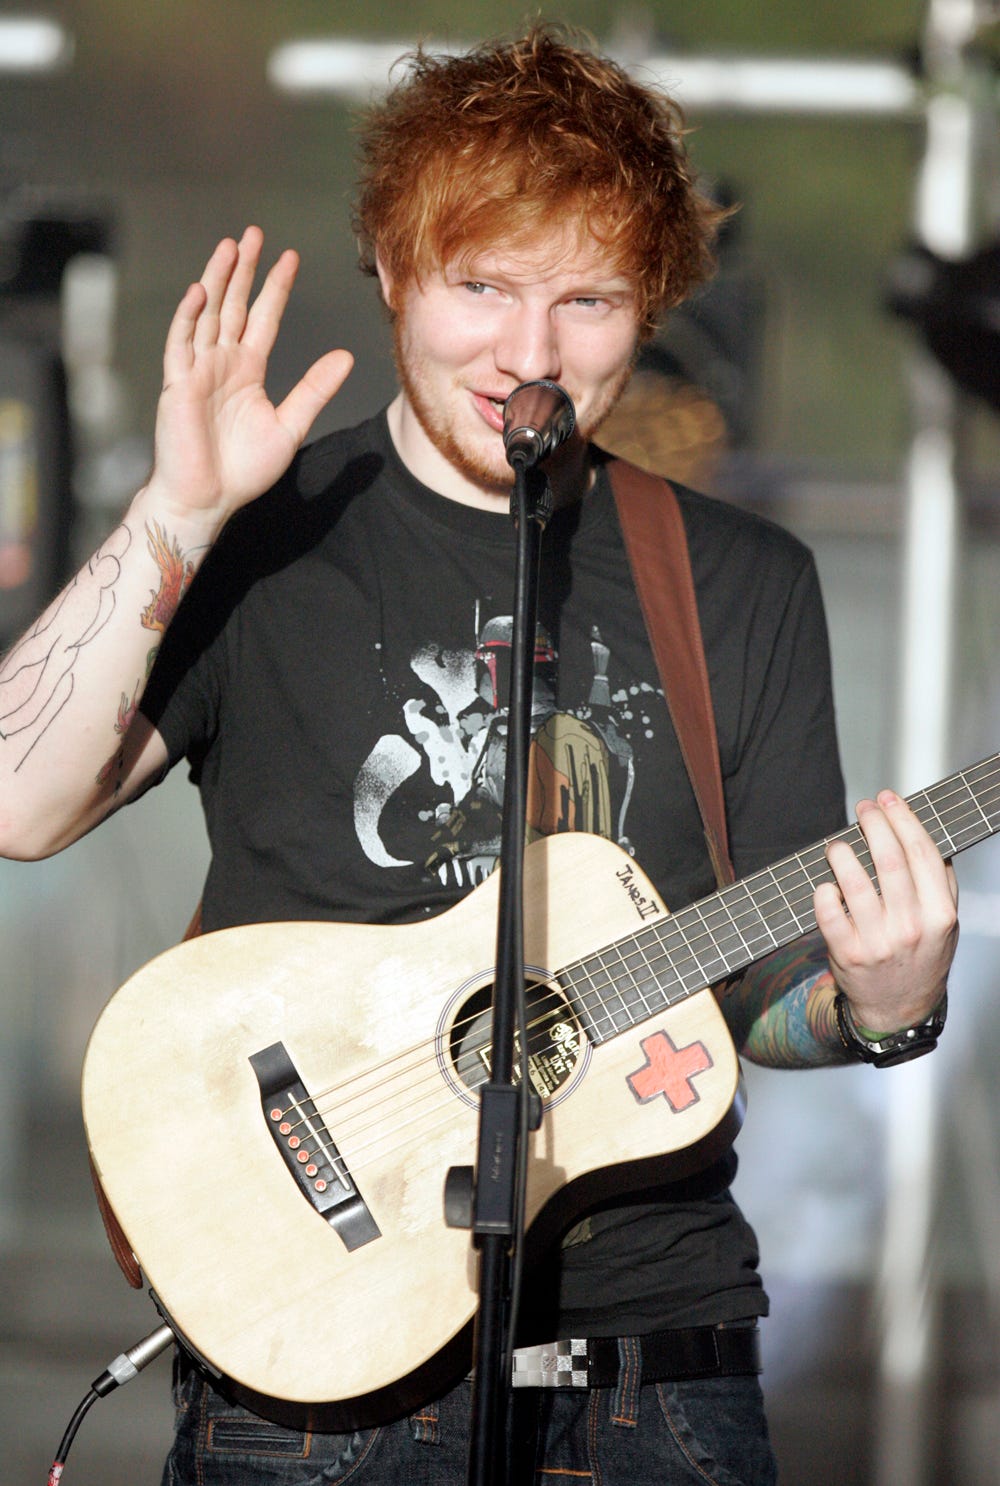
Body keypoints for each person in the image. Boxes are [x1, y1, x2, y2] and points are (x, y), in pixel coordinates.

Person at [0, 26, 958, 1486]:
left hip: (657, 1378)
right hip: (313, 1388)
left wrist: (877, 1004)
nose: (530, 354)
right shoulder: (267, 541)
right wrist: (178, 514)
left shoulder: (741, 581)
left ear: (652, 305)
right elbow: (19, 802)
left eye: (589, 299)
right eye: (481, 288)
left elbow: (763, 1002)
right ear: (390, 270)